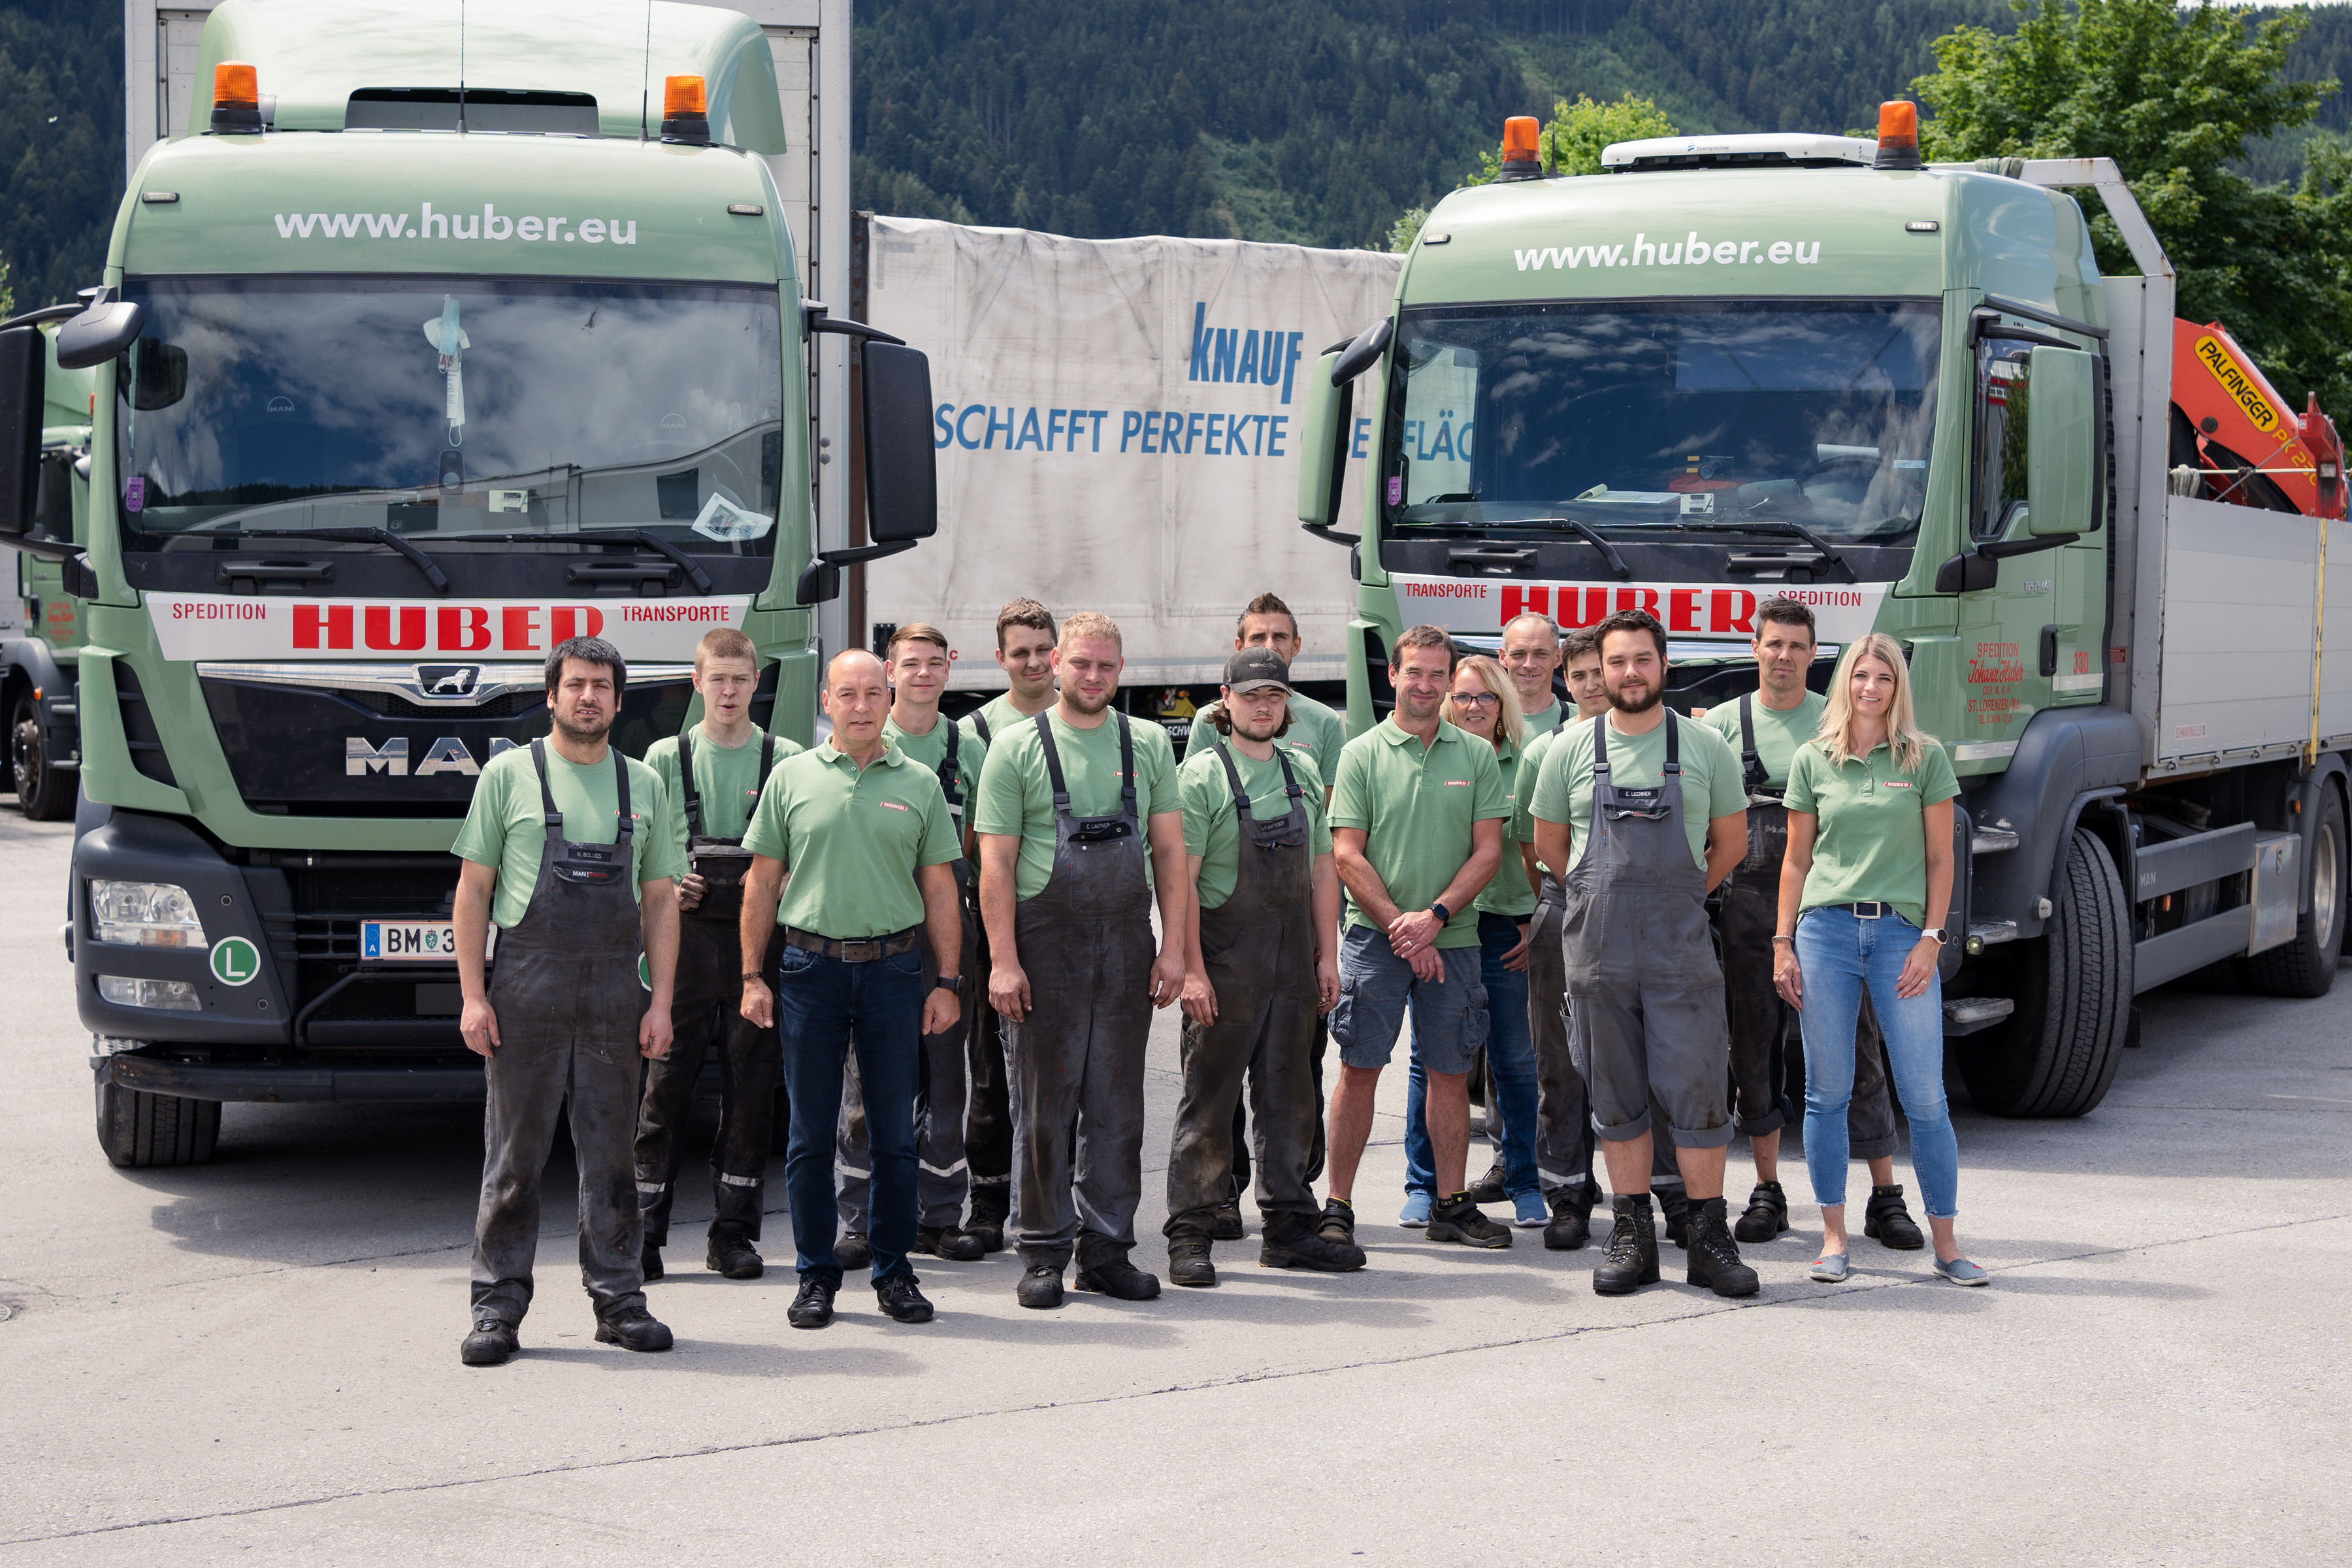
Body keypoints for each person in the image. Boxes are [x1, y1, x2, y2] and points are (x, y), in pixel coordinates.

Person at [453, 636, 684, 1365]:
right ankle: (497, 1309)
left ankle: (619, 1301)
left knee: (612, 1157)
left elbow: (660, 899)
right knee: (515, 1158)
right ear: (551, 696)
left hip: (617, 991)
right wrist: (472, 997)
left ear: (620, 701)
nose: (589, 697)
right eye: (576, 684)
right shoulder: (508, 775)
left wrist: (662, 1003)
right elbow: (473, 891)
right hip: (527, 987)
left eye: (603, 686)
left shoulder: (643, 784)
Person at [1530, 610, 1758, 1298]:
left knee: (1698, 1093)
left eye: (1642, 660)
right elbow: (1547, 848)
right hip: (1597, 958)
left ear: (1664, 665)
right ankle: (1631, 1236)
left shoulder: (1705, 747)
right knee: (1617, 1096)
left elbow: (1733, 844)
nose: (1628, 674)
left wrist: (1682, 895)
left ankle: (1709, 1238)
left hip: (1681, 954)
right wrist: (1599, 901)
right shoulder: (1566, 751)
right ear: (1599, 671)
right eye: (1615, 662)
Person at [738, 650, 966, 1329]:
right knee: (810, 1135)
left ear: (888, 695)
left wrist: (948, 981)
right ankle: (816, 1275)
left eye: (874, 692)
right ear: (827, 701)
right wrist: (752, 975)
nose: (862, 705)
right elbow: (761, 882)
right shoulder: (792, 779)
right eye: (848, 693)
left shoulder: (919, 782)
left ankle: (894, 1271)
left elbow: (940, 889)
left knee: (896, 1133)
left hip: (896, 972)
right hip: (811, 971)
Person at [973, 611, 1189, 1308]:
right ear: (1058, 664)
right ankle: (1041, 1250)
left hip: (1126, 945)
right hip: (1046, 950)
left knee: (1117, 1107)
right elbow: (995, 866)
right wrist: (1003, 962)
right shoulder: (1016, 747)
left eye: (1106, 667)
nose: (1093, 677)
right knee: (1044, 1107)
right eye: (1082, 664)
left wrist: (1175, 950)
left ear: (1119, 671)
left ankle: (1106, 1250)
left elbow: (1170, 856)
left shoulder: (1148, 742)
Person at [1699, 599, 1919, 1249]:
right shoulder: (1716, 727)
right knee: (1753, 1050)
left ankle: (1884, 1196)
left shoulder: (1844, 715)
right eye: (1774, 644)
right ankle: (1767, 1191)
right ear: (1755, 646)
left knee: (1856, 1052)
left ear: (1814, 652)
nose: (1785, 656)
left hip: (1831, 910)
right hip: (1746, 912)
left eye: (1798, 646)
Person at [1775, 634, 1985, 1285]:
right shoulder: (1813, 759)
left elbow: (1942, 858)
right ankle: (1834, 1240)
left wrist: (1932, 936)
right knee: (1826, 1094)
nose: (1871, 688)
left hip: (1900, 936)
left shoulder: (1924, 758)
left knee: (1925, 1098)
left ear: (1898, 688)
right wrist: (1783, 942)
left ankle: (1947, 1245)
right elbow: (1796, 861)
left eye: (1884, 679)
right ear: (1845, 684)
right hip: (1826, 934)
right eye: (1861, 676)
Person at [1166, 649, 1363, 1285]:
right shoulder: (1200, 777)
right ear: (1226, 698)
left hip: (1292, 967)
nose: (1262, 706)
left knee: (1290, 1101)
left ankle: (1287, 1229)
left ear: (1285, 701)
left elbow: (1324, 867)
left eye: (1274, 696)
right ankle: (1191, 1233)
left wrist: (1327, 955)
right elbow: (1181, 884)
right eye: (1251, 696)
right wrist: (1191, 971)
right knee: (1209, 1104)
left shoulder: (1301, 769)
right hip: (1224, 965)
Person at [1324, 624, 1511, 1252]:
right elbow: (1347, 854)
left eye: (1438, 674)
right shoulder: (1361, 753)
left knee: (1450, 1072)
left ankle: (1450, 1205)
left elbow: (1488, 852)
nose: (1426, 684)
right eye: (1416, 672)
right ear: (1394, 676)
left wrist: (1433, 916)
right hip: (1375, 940)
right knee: (1359, 1069)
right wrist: (1403, 929)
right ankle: (1339, 1206)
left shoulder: (1477, 756)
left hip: (1452, 938)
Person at [633, 628, 800, 1284]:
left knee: (751, 1092)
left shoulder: (785, 759)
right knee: (664, 1089)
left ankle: (734, 1234)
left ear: (756, 684)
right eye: (717, 678)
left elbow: (801, 847)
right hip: (686, 944)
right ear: (697, 683)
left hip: (757, 944)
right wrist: (673, 881)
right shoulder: (663, 758)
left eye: (740, 678)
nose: (729, 690)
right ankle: (642, 1233)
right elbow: (643, 854)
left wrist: (785, 879)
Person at [834, 625, 992, 1267]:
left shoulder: (967, 748)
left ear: (949, 668)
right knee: (865, 1083)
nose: (922, 675)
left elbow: (980, 838)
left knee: (948, 1078)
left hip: (947, 931)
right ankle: (860, 1221)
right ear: (891, 672)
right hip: (874, 929)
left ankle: (938, 1215)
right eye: (910, 664)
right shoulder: (869, 738)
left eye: (934, 663)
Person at [1401, 654, 1544, 1232]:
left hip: (1508, 926)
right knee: (1430, 1063)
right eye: (1463, 697)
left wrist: (1538, 916)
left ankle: (1524, 1181)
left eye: (1487, 697)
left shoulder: (1524, 760)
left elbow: (1539, 843)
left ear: (1504, 702)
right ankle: (1423, 1183)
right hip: (1446, 930)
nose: (1474, 707)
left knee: (1513, 1058)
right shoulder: (1432, 756)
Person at [956, 598, 1060, 1252]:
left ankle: (1056, 1196)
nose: (1032, 661)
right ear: (1000, 659)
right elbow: (971, 840)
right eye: (1018, 651)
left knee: (1064, 1067)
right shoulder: (974, 734)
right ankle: (990, 1201)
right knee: (990, 1067)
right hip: (992, 918)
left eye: (1041, 648)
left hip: (1070, 922)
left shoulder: (1085, 722)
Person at [1513, 627, 1607, 1249]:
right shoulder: (1545, 751)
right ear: (1564, 682)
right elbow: (1532, 845)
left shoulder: (1671, 740)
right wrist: (1563, 894)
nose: (1595, 684)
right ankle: (1567, 1195)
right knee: (1559, 1064)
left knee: (1641, 1064)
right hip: (1565, 908)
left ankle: (1660, 1195)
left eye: (1603, 671)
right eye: (1580, 675)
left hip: (1643, 918)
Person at [1497, 610, 1565, 740]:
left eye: (1540, 654)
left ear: (1557, 658)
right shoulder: (1483, 719)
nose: (1529, 665)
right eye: (1518, 654)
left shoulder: (1583, 720)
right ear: (1503, 657)